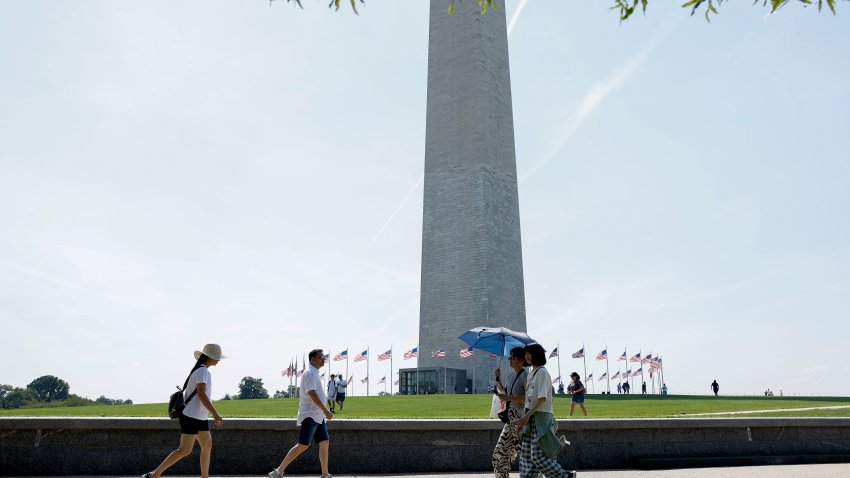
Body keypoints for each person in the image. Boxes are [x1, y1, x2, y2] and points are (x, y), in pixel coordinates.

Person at [143, 344, 225, 478]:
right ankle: (154, 474)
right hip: (192, 417)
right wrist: (215, 414)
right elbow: (201, 394)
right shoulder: (203, 371)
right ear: (210, 358)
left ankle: (205, 477)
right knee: (185, 450)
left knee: (207, 445)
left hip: (199, 417)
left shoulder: (200, 370)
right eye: (217, 357)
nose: (219, 360)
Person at [269, 349, 334, 478]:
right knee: (303, 445)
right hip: (310, 414)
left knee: (324, 442)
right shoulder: (310, 373)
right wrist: (325, 409)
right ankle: (278, 471)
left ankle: (325, 473)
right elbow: (311, 392)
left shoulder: (314, 373)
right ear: (312, 359)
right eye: (320, 357)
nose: (323, 359)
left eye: (324, 357)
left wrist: (322, 411)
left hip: (317, 416)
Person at [516, 343, 575, 478]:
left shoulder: (542, 372)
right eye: (526, 354)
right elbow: (529, 400)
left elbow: (541, 399)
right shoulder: (531, 374)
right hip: (531, 418)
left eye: (529, 353)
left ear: (536, 355)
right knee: (526, 456)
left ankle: (565, 476)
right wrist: (524, 418)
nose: (527, 356)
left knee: (537, 456)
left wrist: (526, 416)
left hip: (541, 417)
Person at [492, 347, 528, 478]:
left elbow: (527, 398)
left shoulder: (525, 376)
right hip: (510, 419)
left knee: (527, 457)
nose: (510, 359)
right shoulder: (511, 375)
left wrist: (510, 398)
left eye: (512, 357)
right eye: (510, 357)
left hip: (520, 420)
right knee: (498, 455)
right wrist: (498, 379)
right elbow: (505, 392)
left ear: (521, 360)